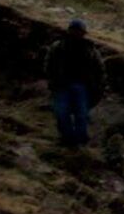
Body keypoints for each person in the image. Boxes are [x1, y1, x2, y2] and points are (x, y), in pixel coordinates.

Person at [43, 19, 106, 147]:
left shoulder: (90, 49)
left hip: (82, 86)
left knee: (81, 114)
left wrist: (98, 85)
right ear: (70, 31)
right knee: (62, 113)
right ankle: (68, 139)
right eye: (75, 31)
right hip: (62, 85)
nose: (77, 34)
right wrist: (52, 80)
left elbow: (99, 68)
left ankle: (80, 140)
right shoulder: (58, 47)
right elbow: (49, 65)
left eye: (80, 31)